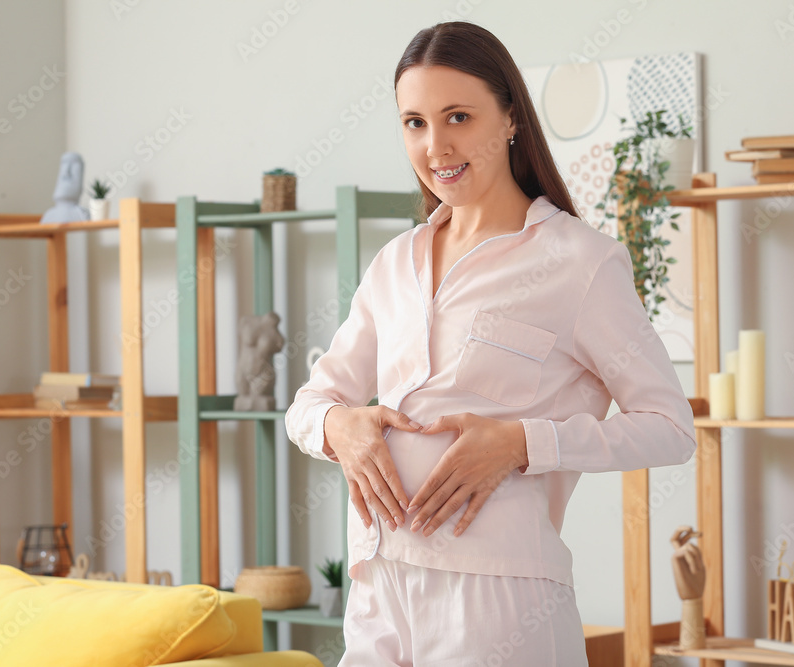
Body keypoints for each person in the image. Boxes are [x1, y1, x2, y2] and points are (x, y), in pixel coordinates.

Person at [284, 20, 697, 666]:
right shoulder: (395, 262)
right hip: (379, 584)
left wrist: (523, 443)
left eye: (457, 116)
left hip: (499, 599)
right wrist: (342, 427)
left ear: (510, 118)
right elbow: (309, 402)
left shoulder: (579, 262)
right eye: (414, 122)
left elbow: (671, 427)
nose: (435, 145)